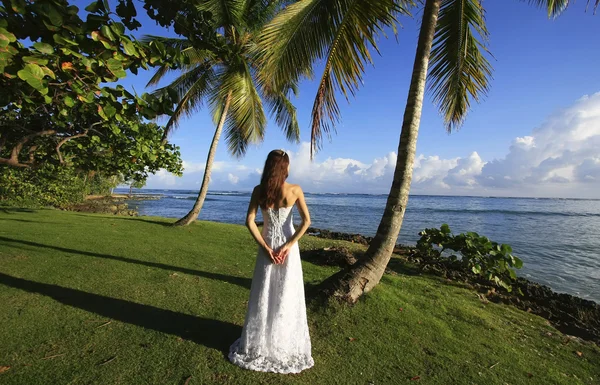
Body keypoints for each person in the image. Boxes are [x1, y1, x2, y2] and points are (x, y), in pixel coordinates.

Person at [228, 149, 314, 374]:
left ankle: (262, 341)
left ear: (268, 166)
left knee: (265, 291)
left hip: (267, 246)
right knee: (285, 292)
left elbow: (249, 221)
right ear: (285, 167)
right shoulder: (294, 190)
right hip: (287, 248)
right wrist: (287, 245)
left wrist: (266, 247)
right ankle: (281, 340)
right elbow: (306, 222)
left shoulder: (259, 190)